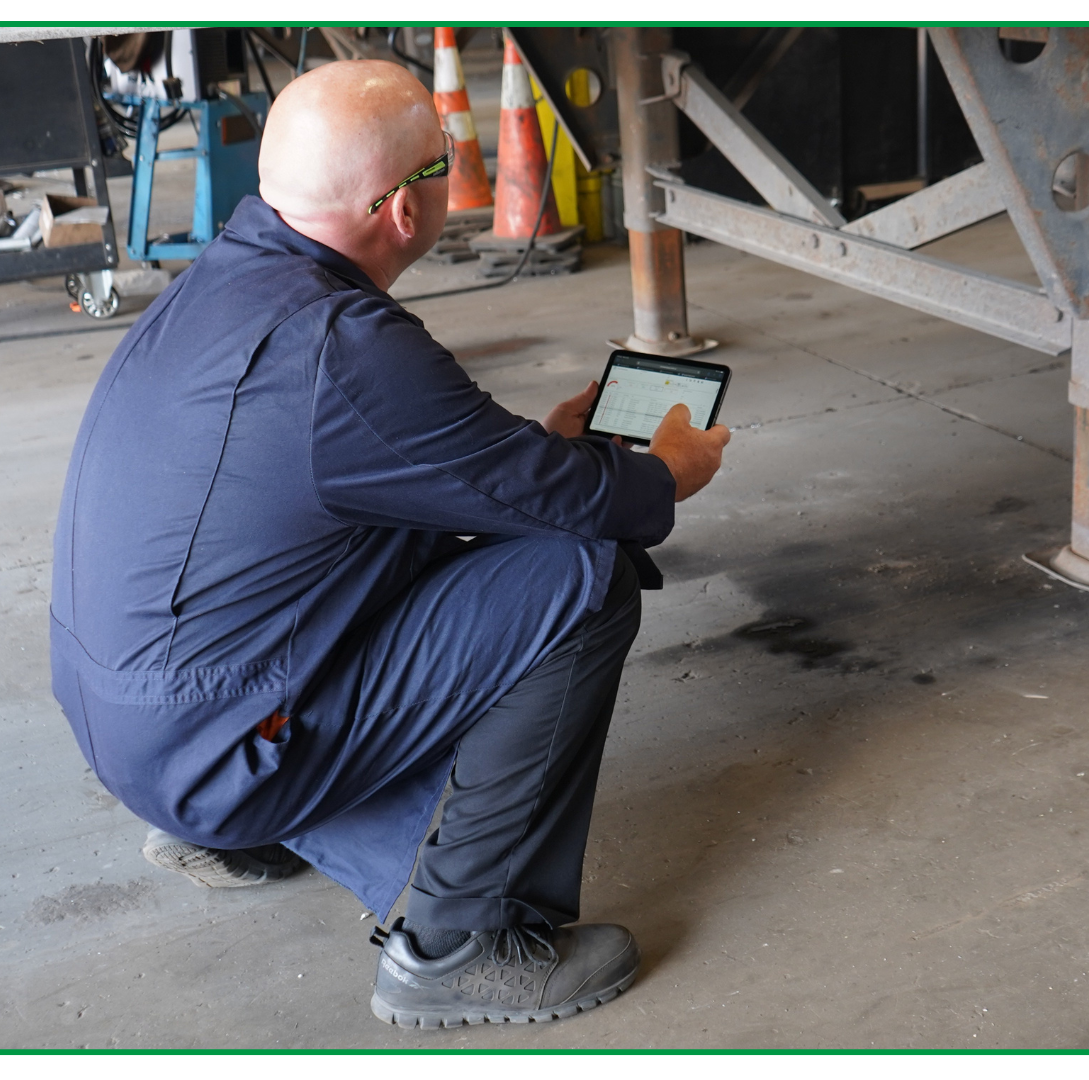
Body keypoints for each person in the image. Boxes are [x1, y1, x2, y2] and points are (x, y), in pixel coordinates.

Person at [48, 59, 729, 1029]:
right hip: (211, 752)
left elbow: (426, 470)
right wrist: (665, 474)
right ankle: (462, 945)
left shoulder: (231, 281)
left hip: (137, 733)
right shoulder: (345, 346)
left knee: (441, 546)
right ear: (407, 208)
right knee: (582, 576)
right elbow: (571, 504)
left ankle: (240, 830)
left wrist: (542, 452)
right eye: (444, 163)